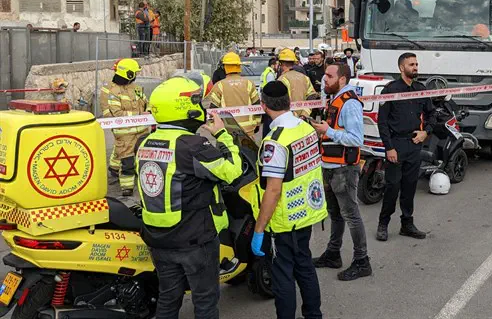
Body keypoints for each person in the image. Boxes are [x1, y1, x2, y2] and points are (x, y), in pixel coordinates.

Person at [136, 76, 243, 319]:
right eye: (195, 100)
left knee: (168, 298)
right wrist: (224, 134)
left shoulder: (144, 143)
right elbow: (232, 171)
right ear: (181, 106)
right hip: (194, 239)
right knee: (205, 301)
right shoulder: (191, 146)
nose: (199, 106)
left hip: (158, 239)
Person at [250, 81, 327, 319]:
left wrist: (259, 229)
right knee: (304, 266)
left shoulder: (275, 141)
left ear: (264, 106)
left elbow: (273, 190)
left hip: (284, 220)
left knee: (283, 275)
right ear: (289, 102)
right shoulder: (305, 127)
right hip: (307, 211)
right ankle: (314, 314)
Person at [310, 63, 372, 281]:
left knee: (351, 215)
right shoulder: (335, 99)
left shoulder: (350, 103)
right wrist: (323, 132)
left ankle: (362, 261)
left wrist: (328, 131)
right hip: (330, 167)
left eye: (329, 75)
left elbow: (356, 139)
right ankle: (333, 254)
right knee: (336, 215)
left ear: (342, 79)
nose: (324, 79)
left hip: (344, 170)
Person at [376, 52, 434, 241]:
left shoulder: (420, 88)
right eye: (411, 64)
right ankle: (383, 224)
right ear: (402, 68)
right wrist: (389, 148)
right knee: (392, 187)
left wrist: (426, 132)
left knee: (410, 187)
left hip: (414, 144)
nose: (415, 67)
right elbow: (382, 122)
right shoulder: (390, 90)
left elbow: (432, 114)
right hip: (396, 144)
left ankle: (407, 224)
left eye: (416, 64)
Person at [99, 58, 149, 196]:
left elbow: (146, 102)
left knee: (134, 156)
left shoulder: (136, 88)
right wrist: (140, 114)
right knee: (127, 161)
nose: (136, 75)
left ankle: (115, 169)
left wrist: (149, 111)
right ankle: (127, 188)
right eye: (135, 73)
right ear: (129, 74)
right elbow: (118, 114)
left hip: (142, 131)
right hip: (124, 132)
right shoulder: (113, 92)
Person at [207, 52, 261, 136]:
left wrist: (213, 127)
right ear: (239, 66)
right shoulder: (249, 83)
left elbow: (213, 109)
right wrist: (257, 123)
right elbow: (257, 105)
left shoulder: (219, 85)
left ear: (225, 67)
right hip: (248, 130)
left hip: (227, 131)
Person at [277, 48, 317, 117]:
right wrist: (304, 115)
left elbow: (281, 102)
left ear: (281, 63)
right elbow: (312, 96)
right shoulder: (305, 78)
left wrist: (294, 116)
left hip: (288, 119)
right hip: (304, 119)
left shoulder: (281, 79)